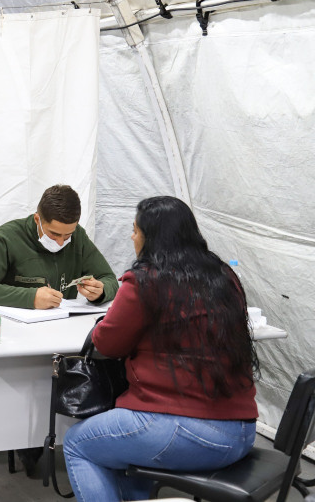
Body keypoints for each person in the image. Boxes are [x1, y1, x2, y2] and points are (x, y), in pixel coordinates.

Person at [62, 196, 259, 502]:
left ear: (151, 238)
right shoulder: (223, 276)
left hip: (182, 431)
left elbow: (107, 343)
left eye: (135, 230)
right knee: (123, 450)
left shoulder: (144, 282)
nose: (131, 237)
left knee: (77, 443)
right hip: (242, 433)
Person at [0, 184, 120, 476]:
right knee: (14, 393)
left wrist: (101, 291)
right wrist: (29, 298)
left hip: (58, 340)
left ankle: (33, 440)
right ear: (38, 219)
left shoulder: (79, 239)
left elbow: (109, 278)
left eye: (68, 234)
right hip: (11, 344)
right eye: (54, 234)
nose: (62, 241)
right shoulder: (9, 237)